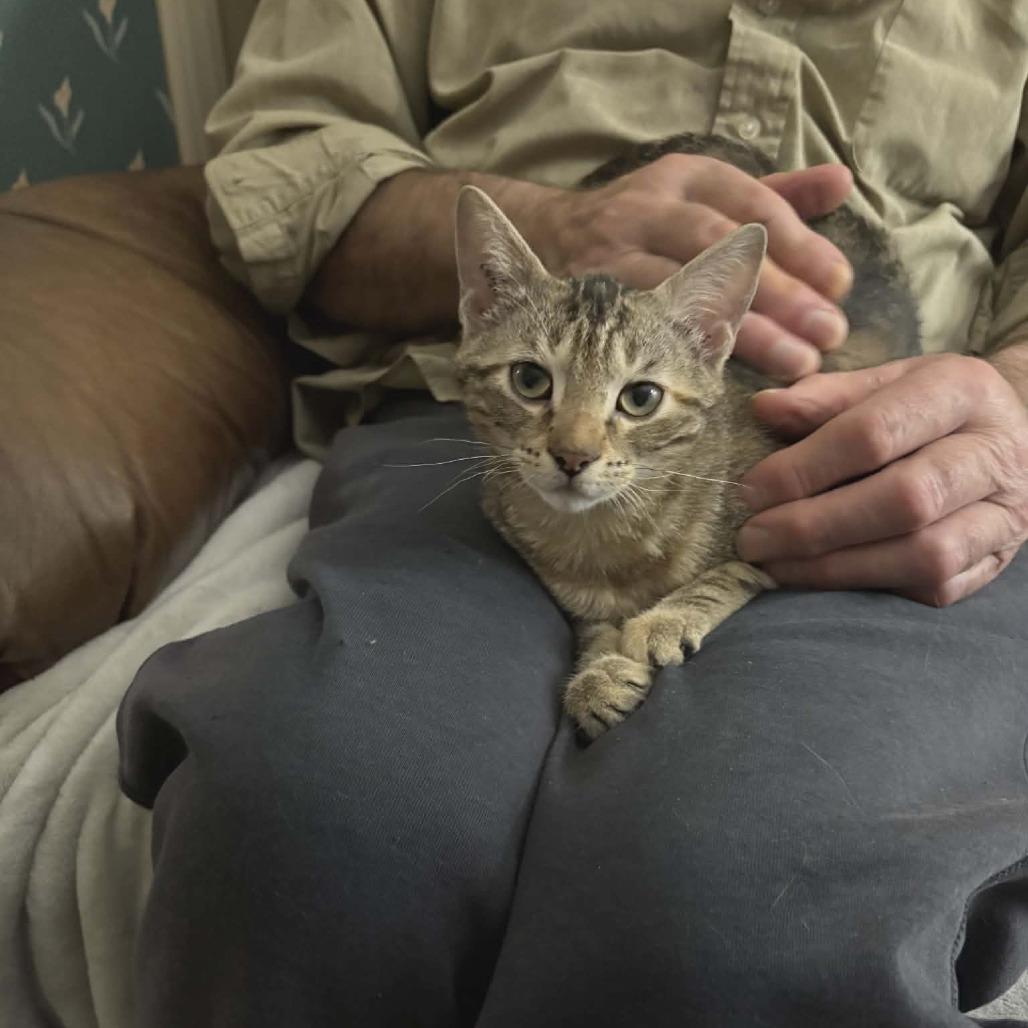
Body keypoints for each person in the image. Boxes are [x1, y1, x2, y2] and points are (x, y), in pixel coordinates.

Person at [117, 2, 1028, 1025]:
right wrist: (549, 228)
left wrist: (1014, 401)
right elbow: (283, 173)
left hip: (906, 446)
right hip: (475, 417)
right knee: (306, 813)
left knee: (758, 881)